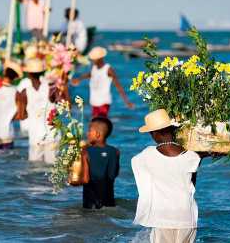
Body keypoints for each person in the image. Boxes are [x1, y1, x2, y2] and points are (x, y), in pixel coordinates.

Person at [131, 109, 201, 243]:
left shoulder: (145, 156)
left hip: (163, 217)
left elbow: (136, 163)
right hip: (186, 217)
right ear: (172, 130)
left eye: (151, 133)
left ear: (156, 134)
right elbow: (191, 186)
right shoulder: (192, 156)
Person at [71, 47, 134, 117]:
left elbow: (118, 85)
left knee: (101, 120)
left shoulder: (108, 69)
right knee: (95, 121)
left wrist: (127, 102)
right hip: (94, 101)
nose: (93, 61)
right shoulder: (94, 68)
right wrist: (79, 79)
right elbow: (90, 74)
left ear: (100, 58)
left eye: (95, 59)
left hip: (104, 102)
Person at [17, 59, 58, 163]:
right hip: (51, 134)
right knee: (52, 168)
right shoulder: (51, 88)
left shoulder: (24, 93)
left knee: (34, 169)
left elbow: (21, 116)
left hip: (35, 136)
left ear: (29, 74)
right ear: (42, 72)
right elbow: (60, 107)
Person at [0, 62, 24, 149]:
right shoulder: (17, 93)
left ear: (4, 73)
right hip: (6, 133)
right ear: (16, 77)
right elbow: (20, 115)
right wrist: (8, 118)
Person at [82, 117, 120, 209]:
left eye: (90, 130)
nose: (87, 133)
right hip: (109, 201)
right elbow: (113, 175)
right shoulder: (115, 151)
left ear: (98, 134)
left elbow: (85, 179)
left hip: (91, 203)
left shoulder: (86, 152)